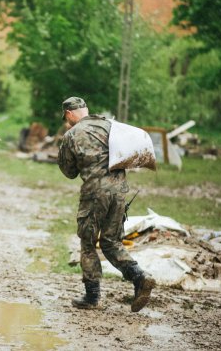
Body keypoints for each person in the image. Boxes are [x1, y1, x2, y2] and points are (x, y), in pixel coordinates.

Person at [58, 97, 155, 313]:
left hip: (95, 193)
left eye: (66, 117)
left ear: (70, 114)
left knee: (88, 242)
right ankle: (140, 277)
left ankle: (92, 297)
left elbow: (69, 172)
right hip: (120, 190)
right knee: (111, 241)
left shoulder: (71, 135)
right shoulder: (112, 126)